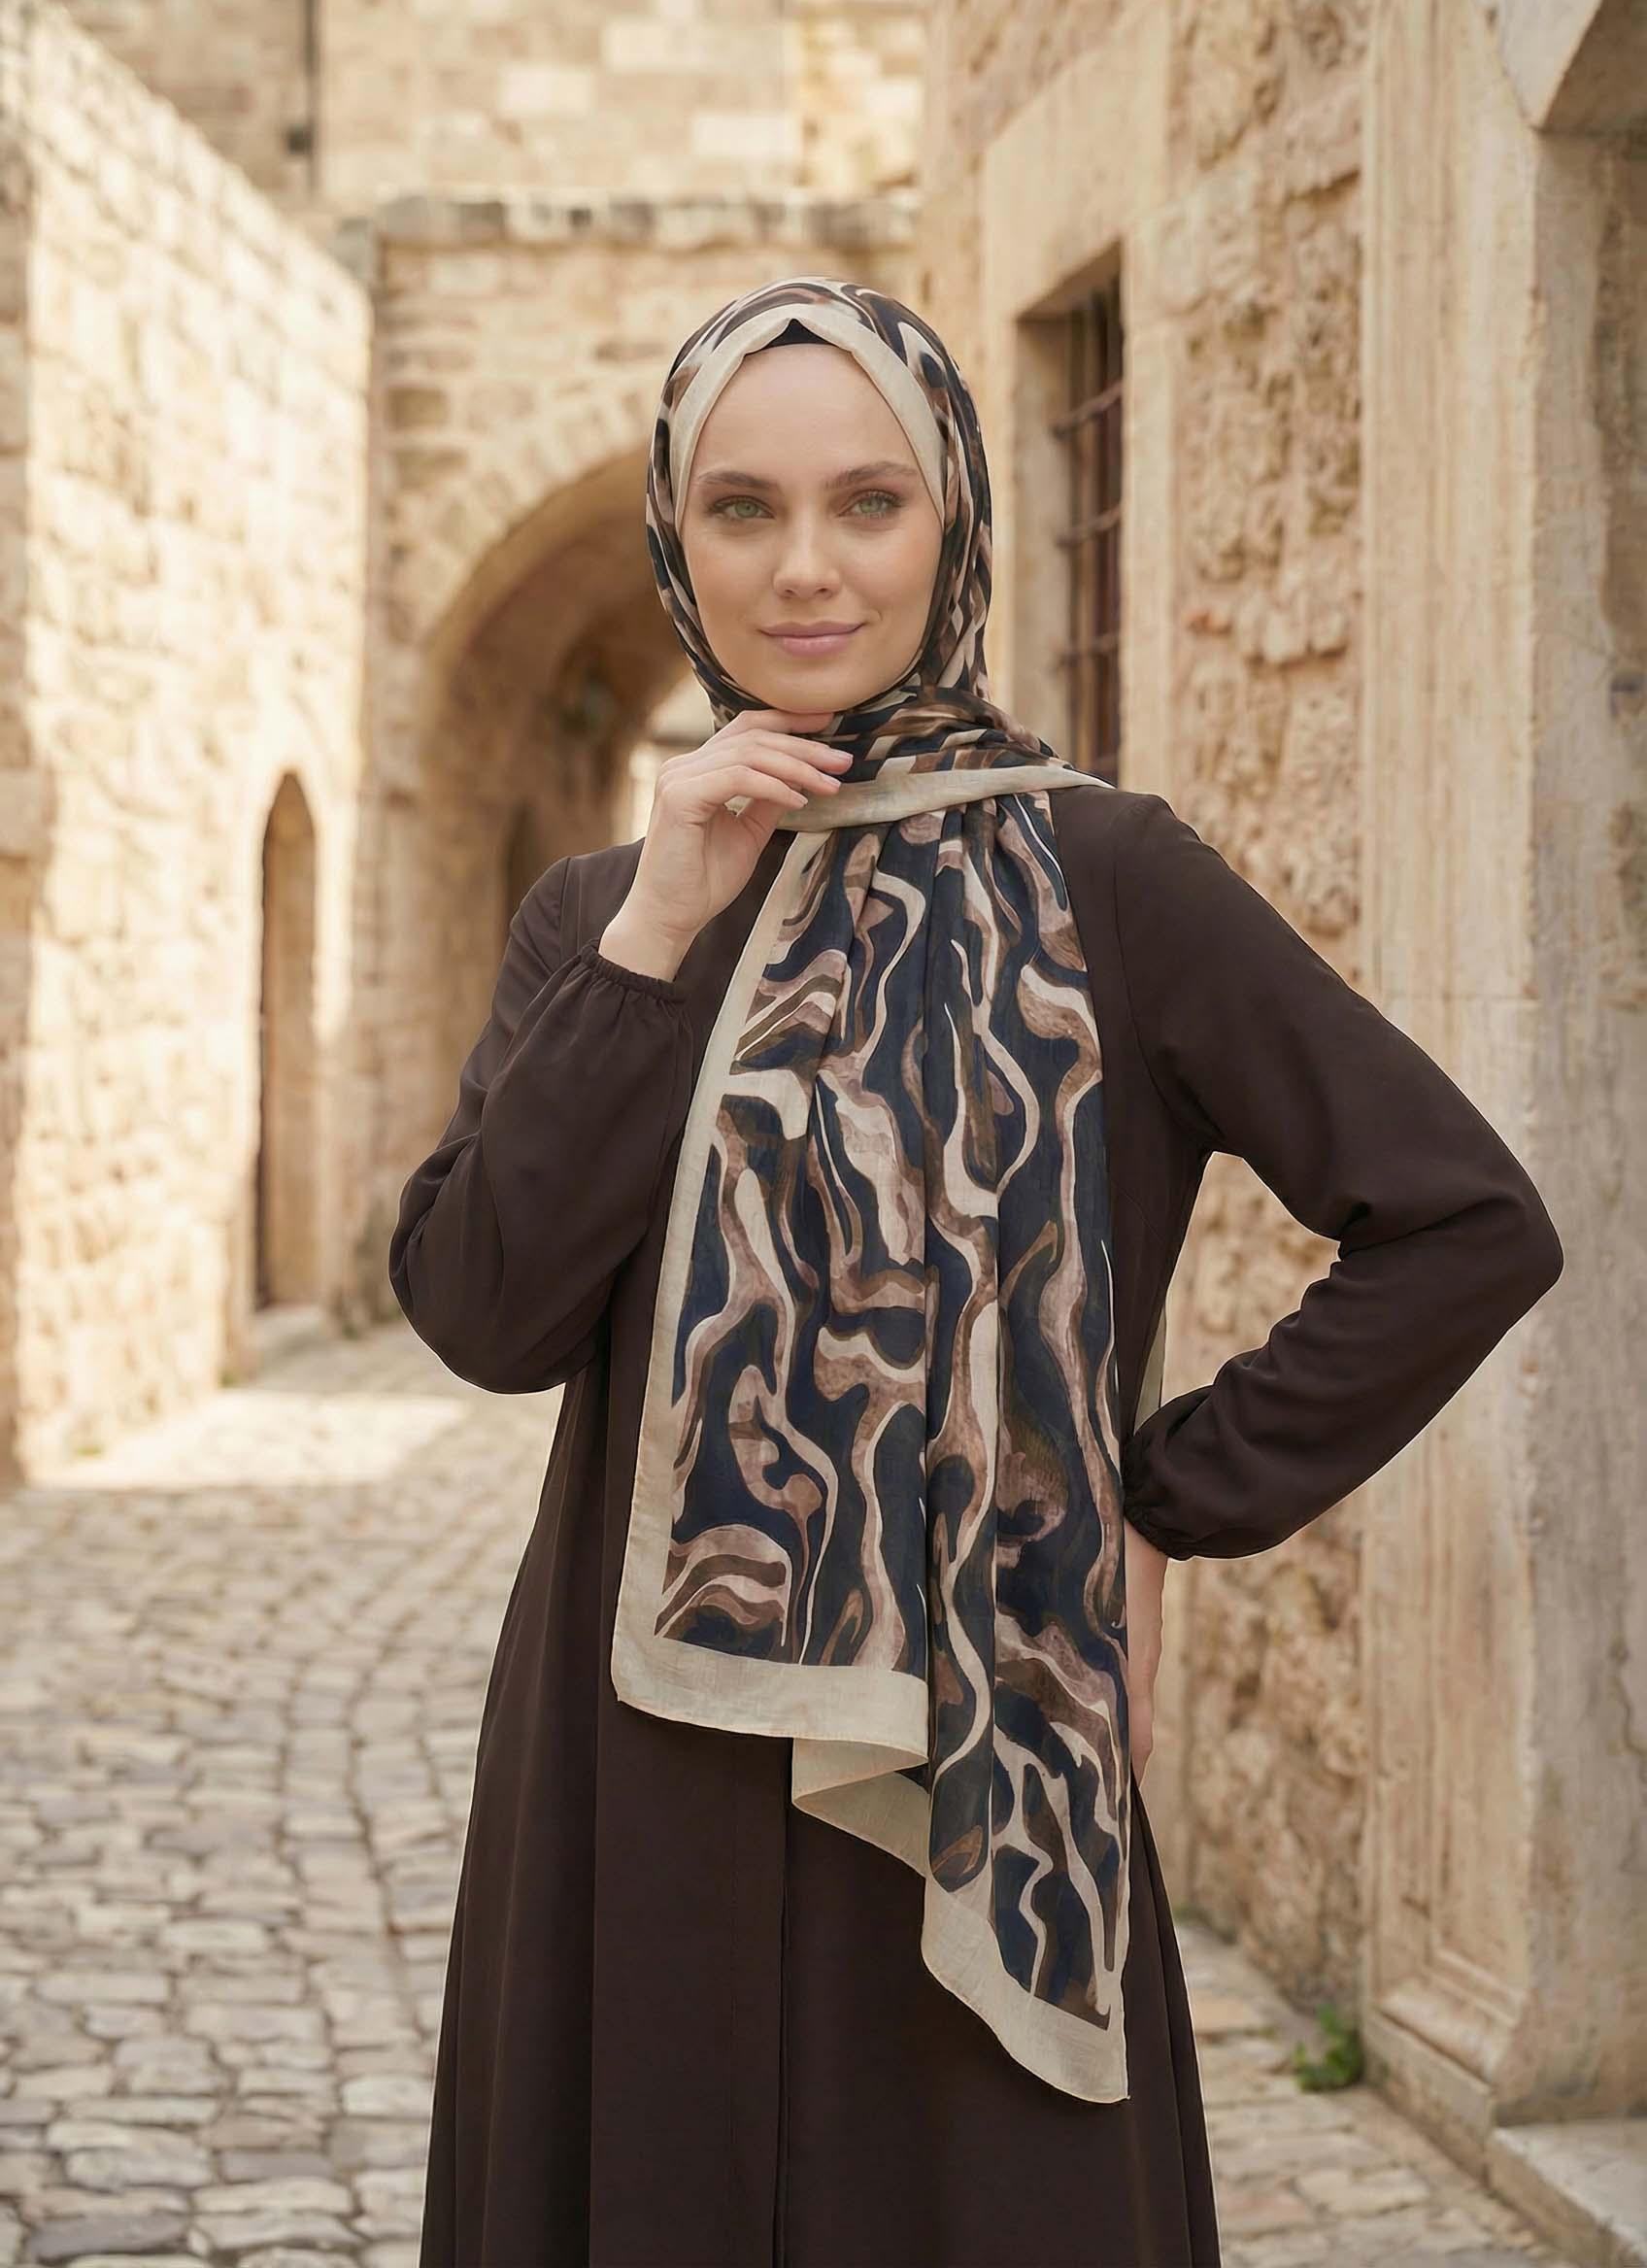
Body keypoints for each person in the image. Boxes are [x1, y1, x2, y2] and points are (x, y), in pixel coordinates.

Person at [388, 277, 1563, 2268]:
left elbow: (1460, 1220)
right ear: (676, 540)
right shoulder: (604, 914)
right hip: (636, 1766)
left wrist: (1161, 1497)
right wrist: (659, 932)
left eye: (869, 501)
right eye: (742, 509)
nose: (807, 566)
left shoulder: (1108, 878)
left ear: (952, 523)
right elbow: (484, 1309)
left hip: (985, 1747)